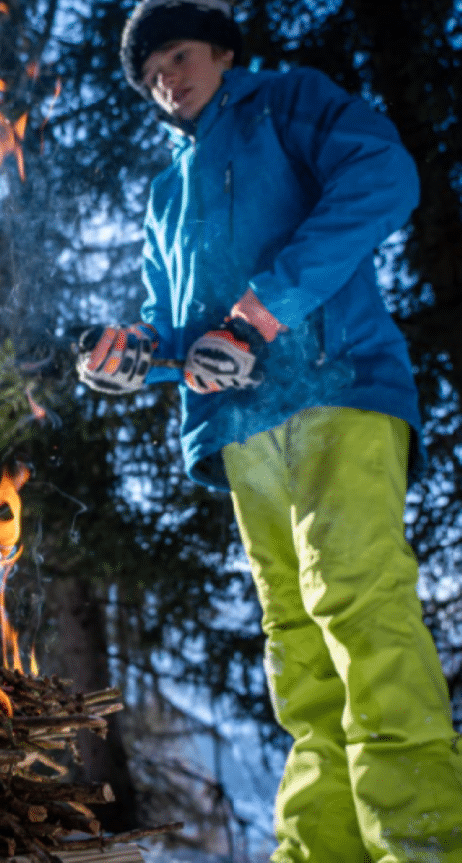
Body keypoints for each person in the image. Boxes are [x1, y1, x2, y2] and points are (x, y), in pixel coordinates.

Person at [77, 0, 462, 860]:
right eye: (148, 79)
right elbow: (172, 325)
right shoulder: (166, 190)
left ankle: (424, 838)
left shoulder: (290, 100)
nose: (165, 82)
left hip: (337, 388)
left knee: (357, 601)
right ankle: (319, 847)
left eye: (176, 56)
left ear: (220, 47)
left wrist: (259, 313)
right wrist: (132, 352)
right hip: (243, 427)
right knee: (295, 643)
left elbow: (385, 177)